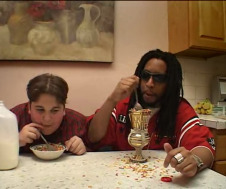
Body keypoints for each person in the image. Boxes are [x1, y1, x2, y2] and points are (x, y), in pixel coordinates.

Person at [86, 49, 215, 177]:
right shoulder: (123, 104)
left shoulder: (180, 109)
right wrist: (112, 99)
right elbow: (93, 137)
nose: (149, 83)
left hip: (161, 179)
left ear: (170, 83)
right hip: (120, 176)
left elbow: (205, 148)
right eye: (146, 76)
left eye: (159, 78)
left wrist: (195, 161)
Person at [10, 73, 87, 155]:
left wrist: (82, 148)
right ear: (29, 107)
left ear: (64, 109)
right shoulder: (13, 118)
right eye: (40, 109)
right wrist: (15, 142)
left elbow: (95, 155)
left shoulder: (77, 122)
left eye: (55, 110)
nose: (47, 119)